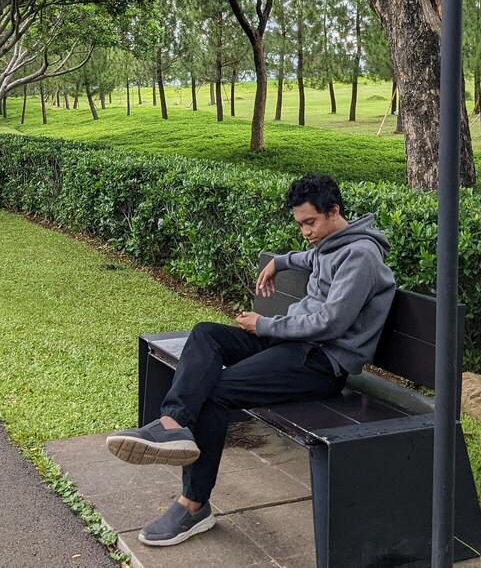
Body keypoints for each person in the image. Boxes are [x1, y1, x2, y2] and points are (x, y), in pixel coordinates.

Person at [105, 172, 396, 548]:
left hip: (320, 363)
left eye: (310, 222)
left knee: (216, 391)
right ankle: (171, 422)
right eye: (299, 224)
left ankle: (193, 506)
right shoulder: (331, 243)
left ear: (334, 211)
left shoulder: (361, 255)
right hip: (292, 344)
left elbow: (331, 323)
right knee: (206, 334)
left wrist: (267, 323)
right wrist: (279, 261)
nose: (305, 231)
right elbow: (307, 256)